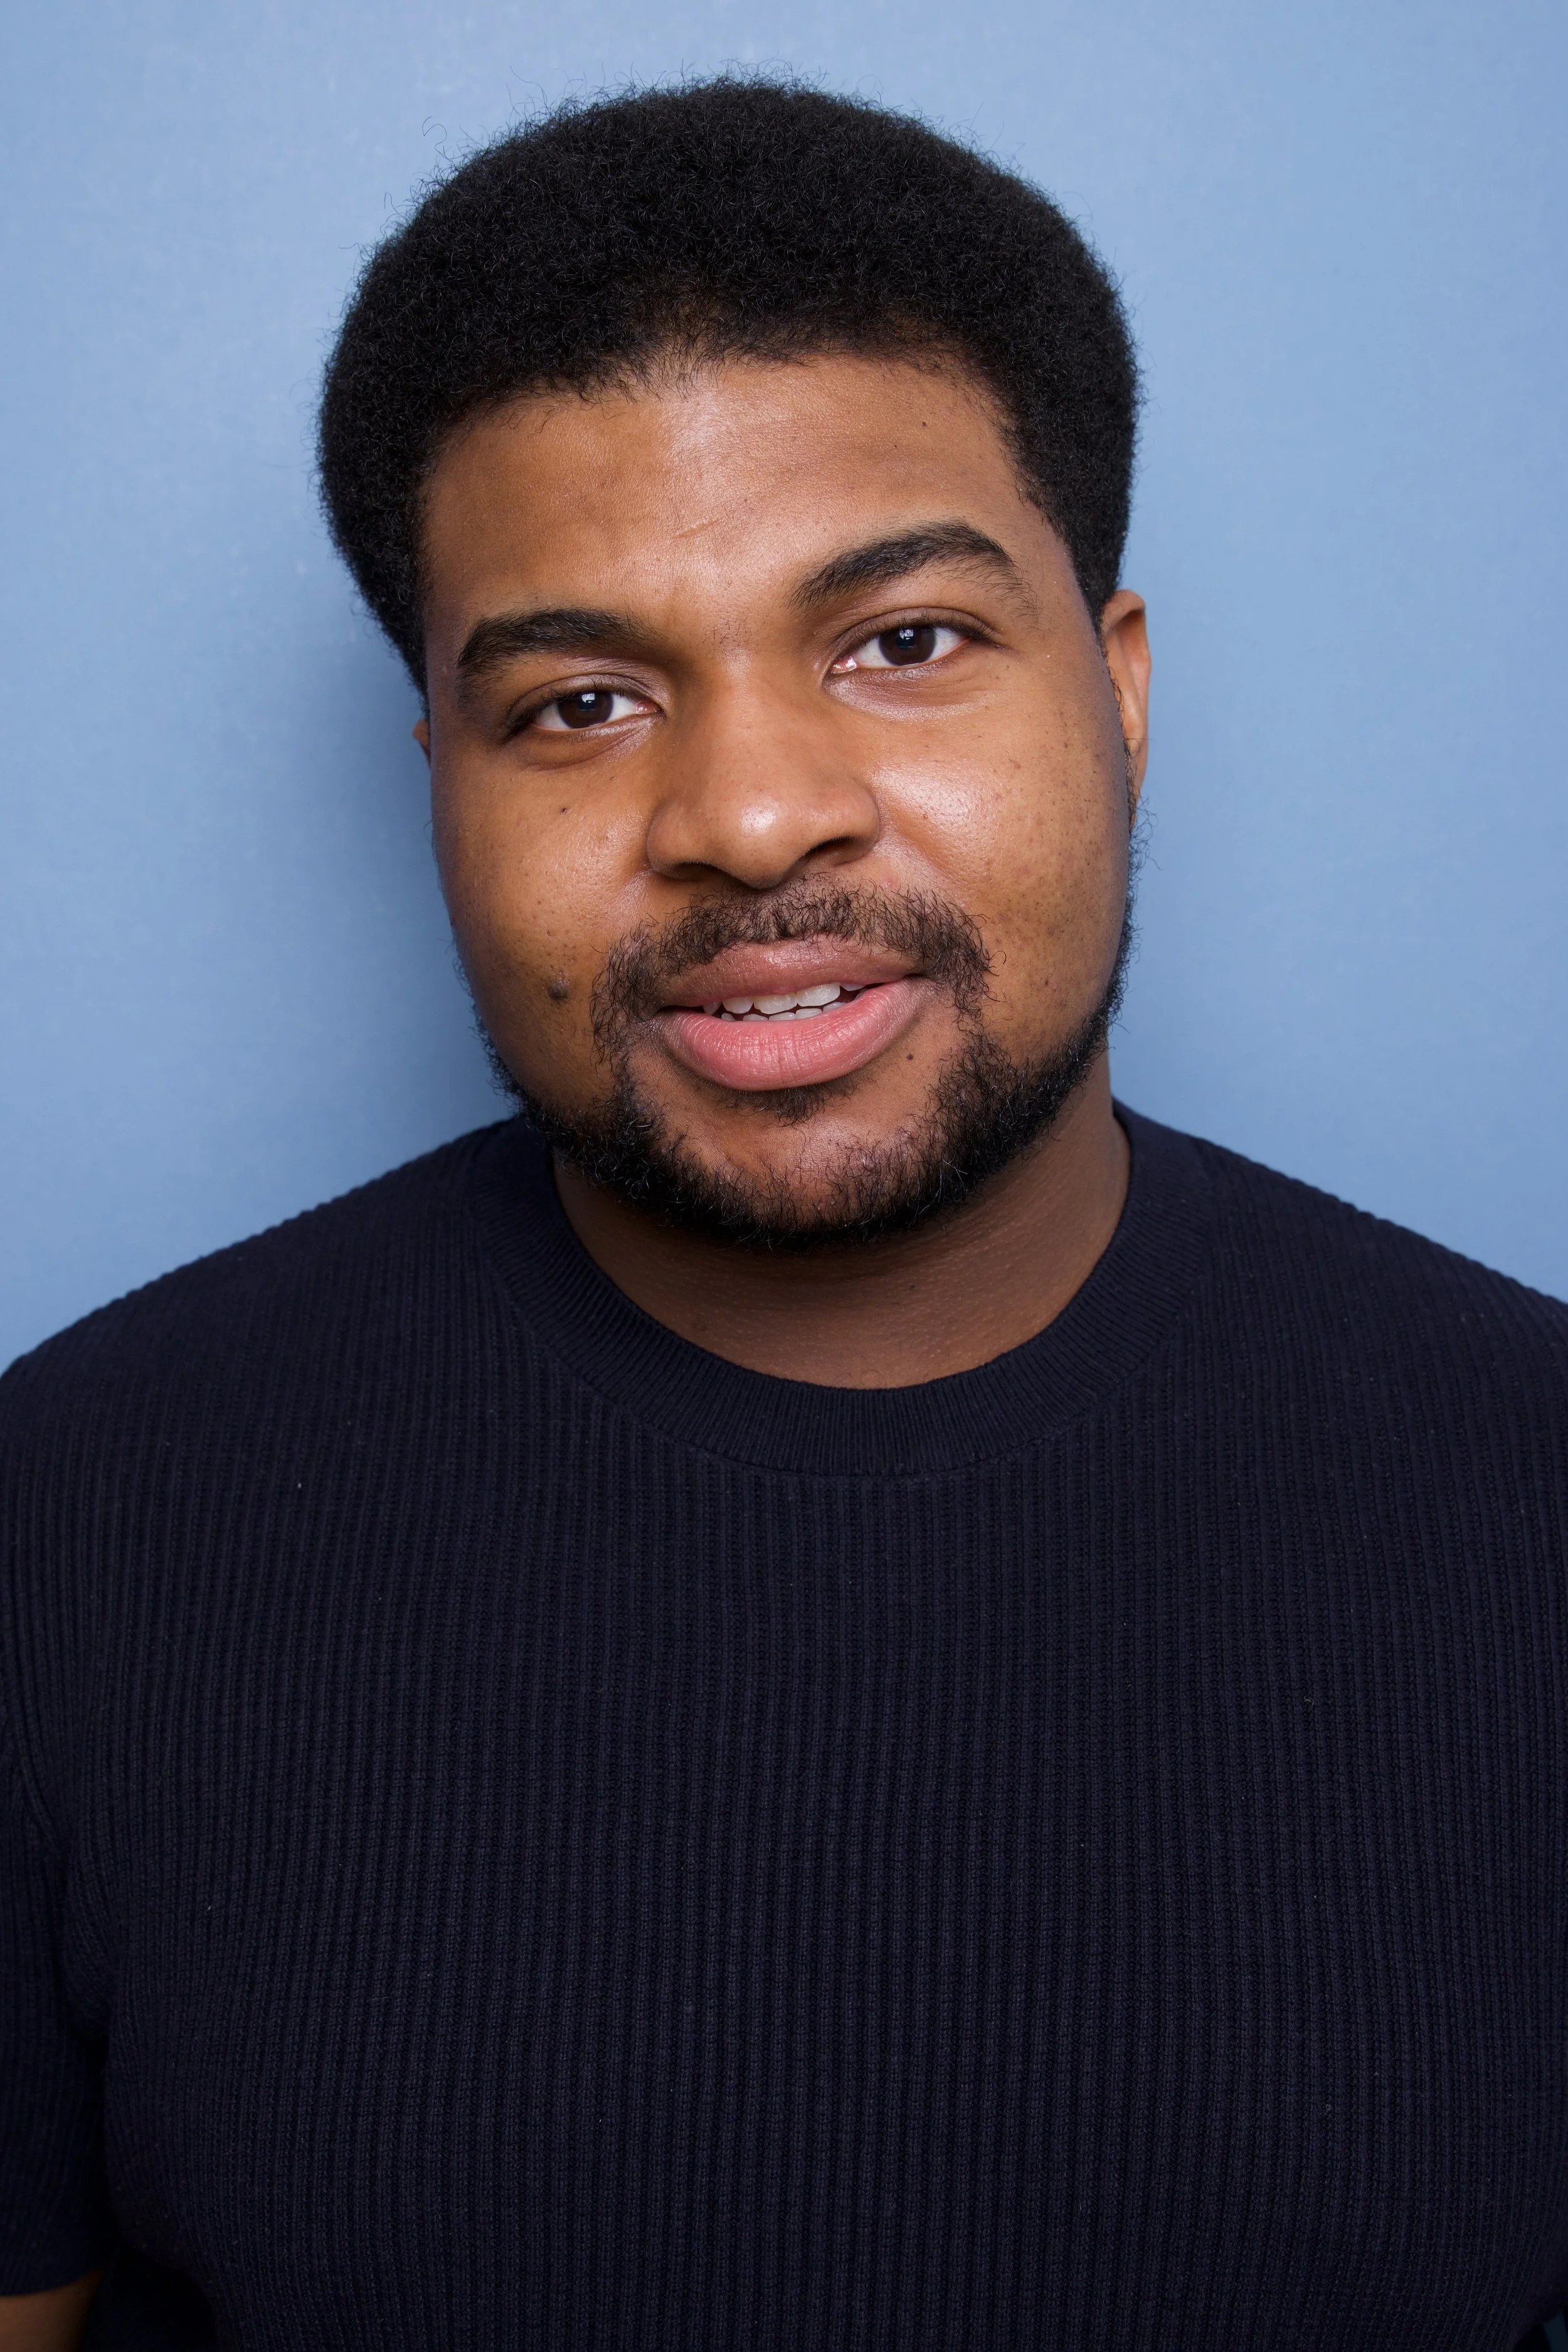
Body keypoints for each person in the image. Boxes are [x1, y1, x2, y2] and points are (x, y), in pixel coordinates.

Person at [1, 78, 1564, 2352]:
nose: (745, 814)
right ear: (435, 779)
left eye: (903, 643)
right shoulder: (63, 1525)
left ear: (1113, 692)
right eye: (580, 699)